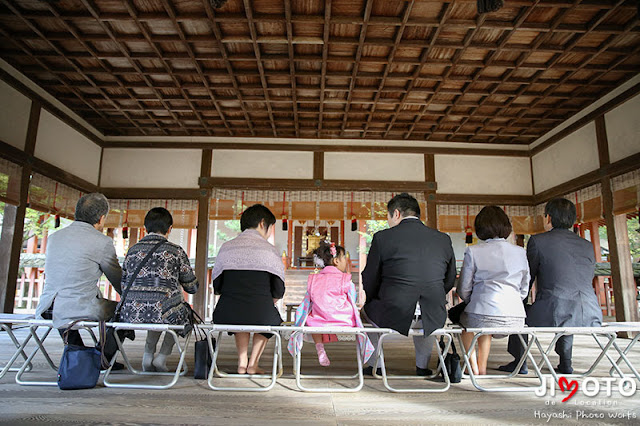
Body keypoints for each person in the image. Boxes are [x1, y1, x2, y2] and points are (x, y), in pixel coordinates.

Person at [500, 198, 602, 375]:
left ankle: (520, 361)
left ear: (548, 218)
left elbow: (528, 277)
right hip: (590, 312)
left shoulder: (538, 241)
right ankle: (565, 363)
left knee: (520, 314)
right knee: (567, 309)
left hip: (554, 310)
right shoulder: (587, 245)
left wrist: (518, 302)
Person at [362, 193, 456, 376]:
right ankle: (422, 366)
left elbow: (370, 277)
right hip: (433, 313)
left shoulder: (383, 238)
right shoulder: (443, 239)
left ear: (396, 214)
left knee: (367, 312)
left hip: (393, 311)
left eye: (388, 217)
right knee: (427, 309)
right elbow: (450, 278)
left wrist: (374, 298)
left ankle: (376, 365)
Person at [117, 207, 198, 372]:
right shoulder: (175, 251)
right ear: (169, 229)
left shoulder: (132, 251)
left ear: (145, 227)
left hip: (131, 312)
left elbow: (123, 284)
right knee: (182, 314)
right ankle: (161, 357)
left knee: (158, 310)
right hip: (162, 311)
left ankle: (147, 356)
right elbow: (191, 287)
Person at [35, 193, 122, 346]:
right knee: (125, 312)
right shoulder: (102, 242)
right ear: (102, 218)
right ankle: (103, 358)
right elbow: (117, 279)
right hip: (79, 307)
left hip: (48, 307)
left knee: (65, 307)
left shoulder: (54, 237)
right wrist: (133, 298)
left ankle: (76, 351)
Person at [212, 204, 285, 375]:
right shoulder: (270, 250)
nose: (269, 232)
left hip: (227, 312)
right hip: (262, 312)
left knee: (241, 314)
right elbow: (279, 288)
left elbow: (217, 285)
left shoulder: (227, 247)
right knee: (266, 317)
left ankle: (242, 362)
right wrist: (270, 300)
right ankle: (253, 364)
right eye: (270, 227)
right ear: (262, 223)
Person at [457, 206, 530, 375]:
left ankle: (474, 367)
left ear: (480, 227)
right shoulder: (520, 252)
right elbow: (524, 287)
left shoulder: (473, 251)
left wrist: (472, 301)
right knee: (479, 320)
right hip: (516, 317)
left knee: (467, 322)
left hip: (482, 313)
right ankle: (481, 366)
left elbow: (464, 288)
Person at [287, 241, 372, 366]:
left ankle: (319, 347)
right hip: (343, 320)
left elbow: (307, 301)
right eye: (343, 257)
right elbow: (352, 299)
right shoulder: (346, 279)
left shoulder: (314, 279)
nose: (345, 260)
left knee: (311, 318)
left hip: (319, 322)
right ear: (336, 261)